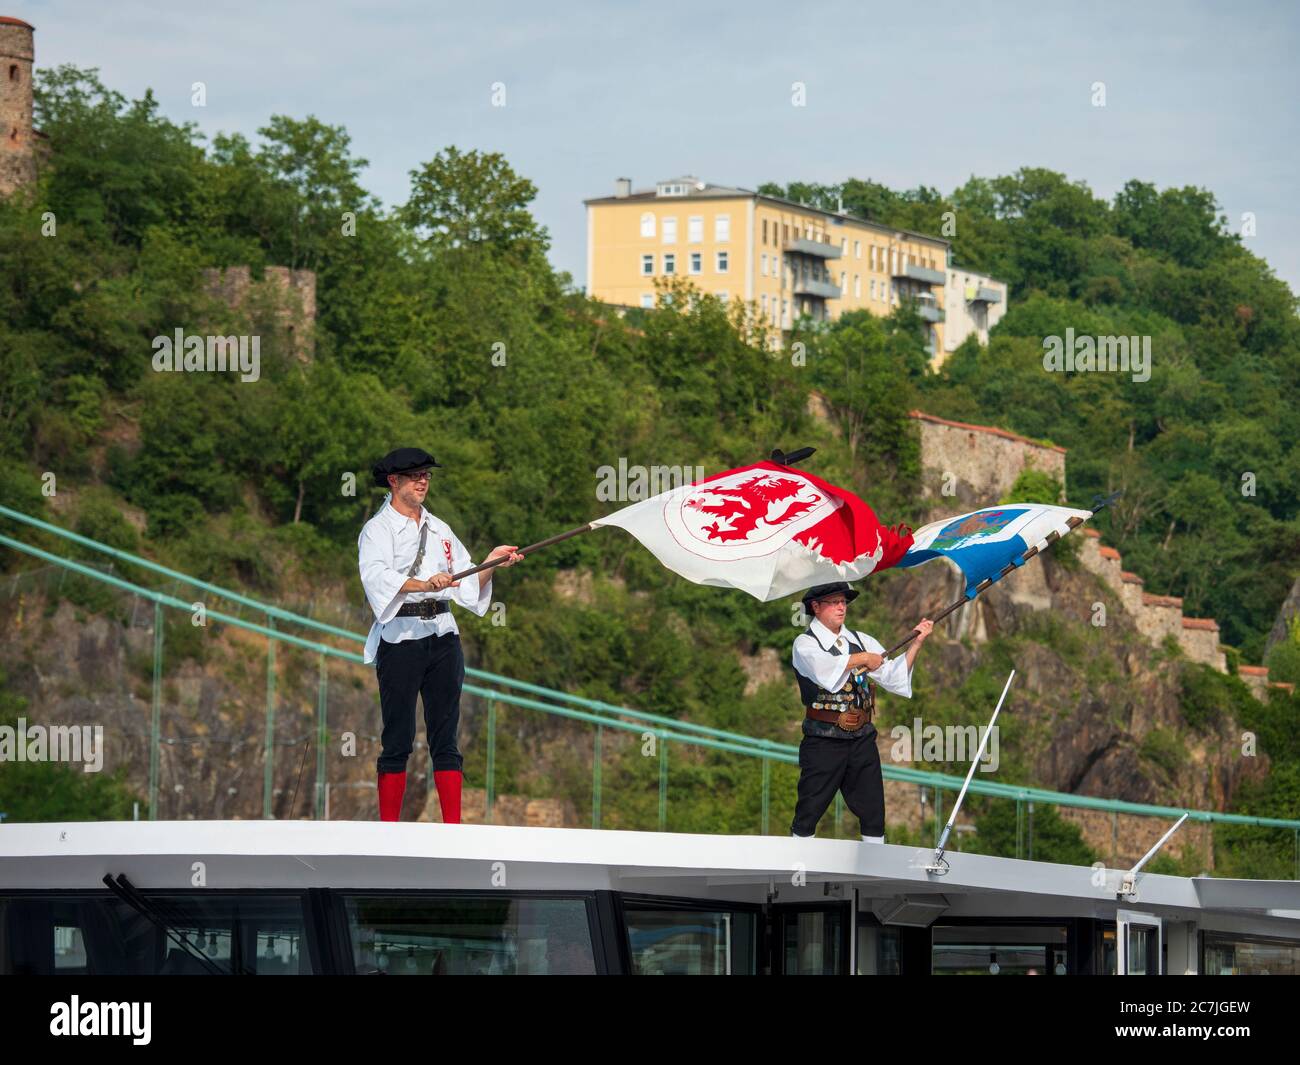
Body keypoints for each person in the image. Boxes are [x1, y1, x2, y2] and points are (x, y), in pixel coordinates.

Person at [358, 447, 523, 822]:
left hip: (443, 636)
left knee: (446, 738)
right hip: (400, 638)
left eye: (427, 475)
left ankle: (453, 829)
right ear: (393, 481)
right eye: (415, 475)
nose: (423, 481)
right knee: (397, 738)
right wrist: (423, 583)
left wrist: (492, 562)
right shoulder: (377, 530)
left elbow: (466, 582)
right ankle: (389, 832)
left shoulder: (440, 529)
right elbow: (378, 579)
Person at [790, 581, 933, 842]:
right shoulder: (804, 644)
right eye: (834, 602)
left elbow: (893, 676)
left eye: (843, 601)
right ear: (816, 606)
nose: (841, 607)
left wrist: (916, 643)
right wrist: (865, 658)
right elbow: (826, 669)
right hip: (823, 740)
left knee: (873, 813)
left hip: (862, 737)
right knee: (809, 811)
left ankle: (875, 870)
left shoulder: (860, 640)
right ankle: (798, 867)